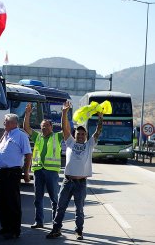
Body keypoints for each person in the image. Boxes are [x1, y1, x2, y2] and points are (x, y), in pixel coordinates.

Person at [46, 101, 103, 240]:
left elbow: (98, 132)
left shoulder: (89, 144)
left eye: (83, 134)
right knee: (60, 207)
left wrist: (100, 118)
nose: (80, 136)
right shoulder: (70, 141)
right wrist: (64, 112)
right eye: (78, 134)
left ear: (86, 136)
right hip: (67, 181)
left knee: (80, 210)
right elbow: (65, 128)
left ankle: (78, 231)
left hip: (80, 183)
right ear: (75, 134)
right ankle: (56, 229)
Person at [23, 103, 63, 228]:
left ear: (51, 127)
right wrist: (28, 113)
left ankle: (55, 223)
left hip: (51, 171)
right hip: (38, 170)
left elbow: (66, 129)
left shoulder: (57, 136)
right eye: (42, 126)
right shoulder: (38, 137)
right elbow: (26, 127)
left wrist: (65, 114)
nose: (44, 128)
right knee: (38, 199)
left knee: (54, 199)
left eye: (46, 126)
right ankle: (39, 221)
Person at [0, 113, 32, 239]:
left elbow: (28, 155)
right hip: (3, 172)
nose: (4, 123)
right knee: (2, 202)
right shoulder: (6, 134)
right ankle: (5, 227)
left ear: (14, 123)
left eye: (6, 121)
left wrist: (26, 173)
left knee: (12, 202)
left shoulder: (21, 135)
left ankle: (15, 230)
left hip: (13, 172)